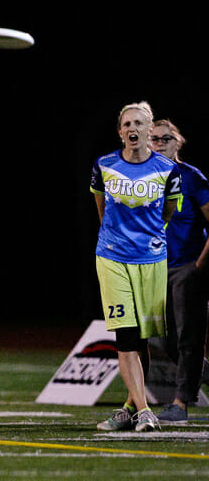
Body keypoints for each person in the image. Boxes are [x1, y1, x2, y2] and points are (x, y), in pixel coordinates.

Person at [90, 101, 182, 432]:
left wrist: (148, 239)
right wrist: (118, 240)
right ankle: (144, 410)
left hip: (151, 259)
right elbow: (102, 210)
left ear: (148, 130)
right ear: (120, 131)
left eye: (139, 123)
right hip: (113, 257)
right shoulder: (104, 165)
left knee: (143, 337)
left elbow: (168, 212)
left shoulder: (168, 171)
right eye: (126, 124)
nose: (132, 128)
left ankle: (129, 408)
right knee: (126, 335)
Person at [148, 118, 209, 422]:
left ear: (178, 142)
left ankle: (181, 404)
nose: (160, 143)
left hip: (186, 267)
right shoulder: (144, 180)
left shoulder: (192, 178)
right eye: (154, 139)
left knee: (188, 338)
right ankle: (200, 370)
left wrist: (199, 266)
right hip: (157, 269)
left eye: (165, 138)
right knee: (162, 340)